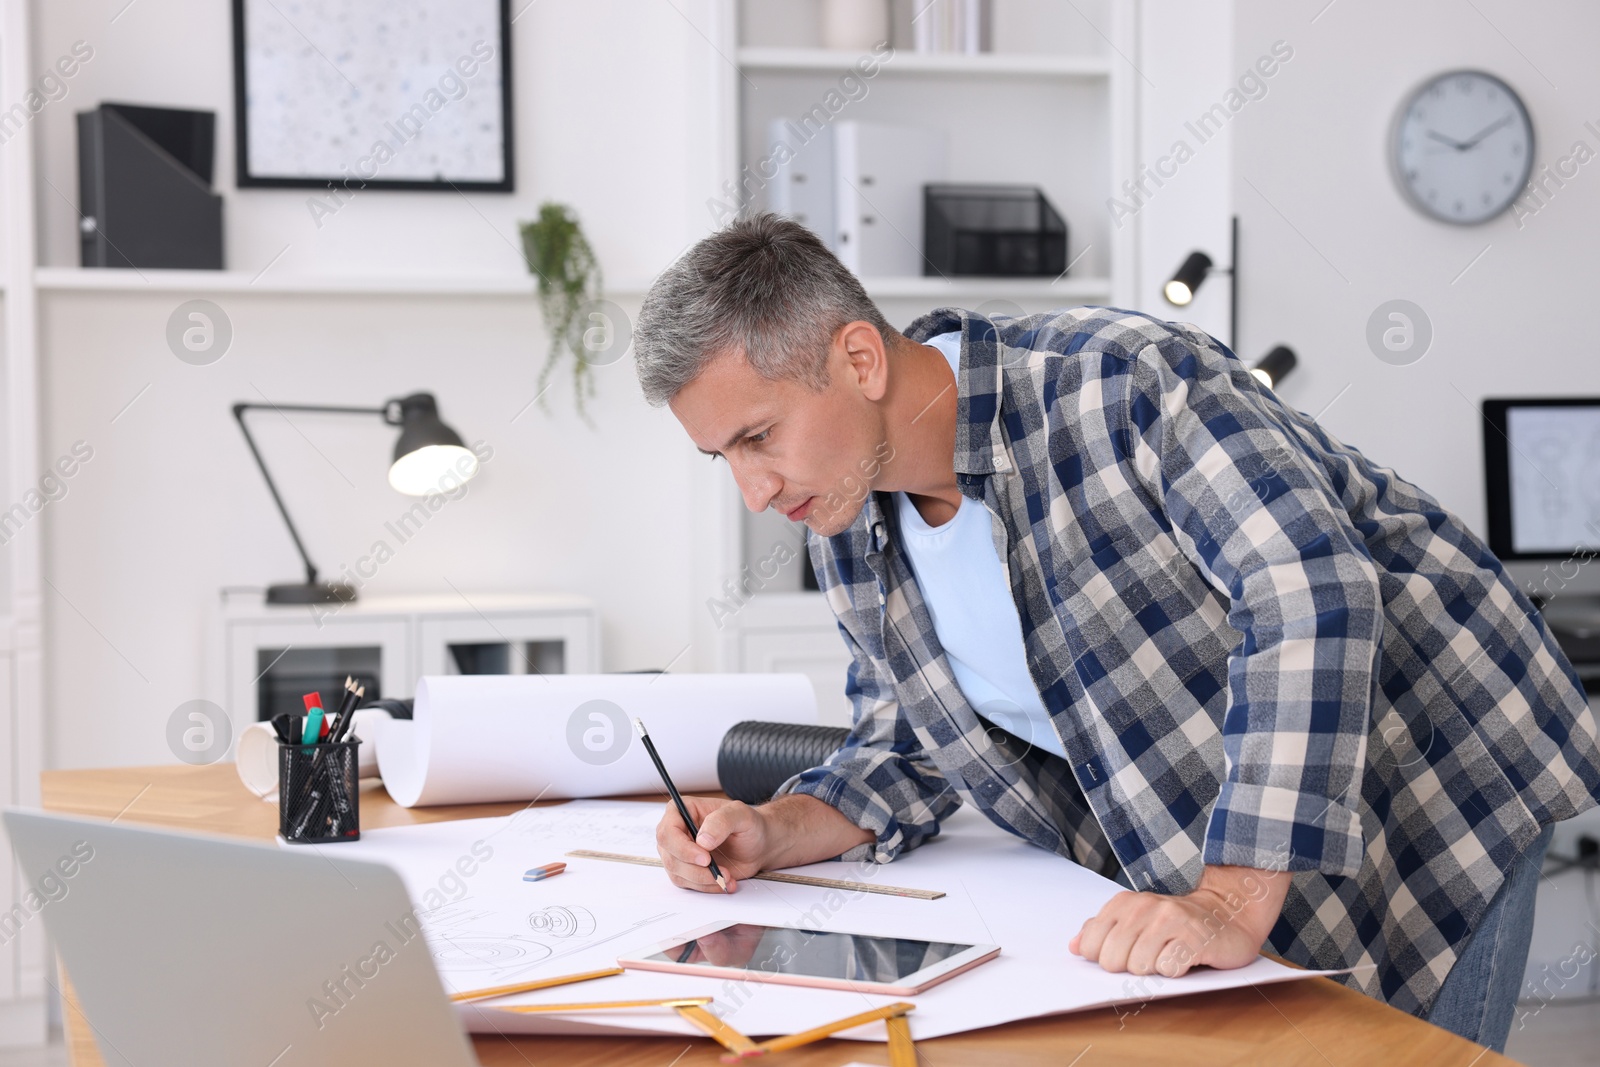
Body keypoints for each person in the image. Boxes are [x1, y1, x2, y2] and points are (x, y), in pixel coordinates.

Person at [630, 213, 1600, 1053]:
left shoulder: (1126, 382)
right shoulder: (848, 510)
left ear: (858, 359)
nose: (754, 491)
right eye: (722, 456)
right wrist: (772, 828)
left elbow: (1310, 593)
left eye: (758, 437)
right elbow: (908, 741)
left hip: (1432, 780)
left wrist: (1225, 898)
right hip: (1225, 836)